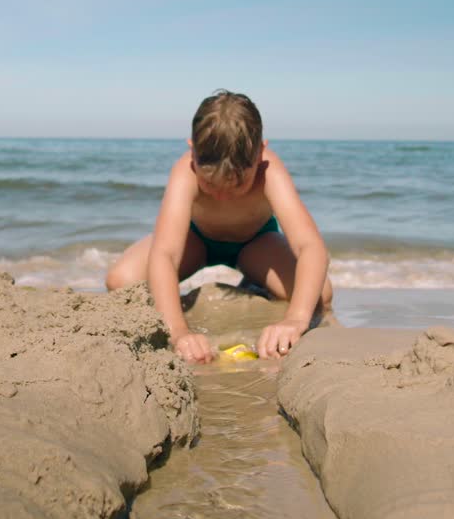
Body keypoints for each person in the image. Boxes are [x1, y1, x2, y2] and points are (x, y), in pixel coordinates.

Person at [105, 90, 333, 363]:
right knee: (120, 280)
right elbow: (165, 253)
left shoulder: (269, 171)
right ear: (193, 152)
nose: (222, 196)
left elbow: (311, 247)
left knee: (321, 294)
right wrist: (178, 332)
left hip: (254, 244)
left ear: (260, 153)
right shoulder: (184, 171)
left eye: (238, 186)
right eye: (210, 185)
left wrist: (295, 320)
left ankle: (254, 280)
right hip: (196, 242)